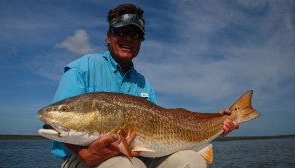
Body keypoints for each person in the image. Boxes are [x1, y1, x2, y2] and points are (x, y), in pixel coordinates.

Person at [50, 3, 239, 168]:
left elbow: (168, 123)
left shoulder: (144, 83)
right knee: (126, 165)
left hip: (140, 156)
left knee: (191, 161)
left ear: (140, 42)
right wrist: (86, 154)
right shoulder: (83, 67)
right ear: (109, 37)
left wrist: (215, 120)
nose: (129, 38)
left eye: (136, 34)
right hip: (80, 158)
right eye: (122, 31)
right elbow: (54, 123)